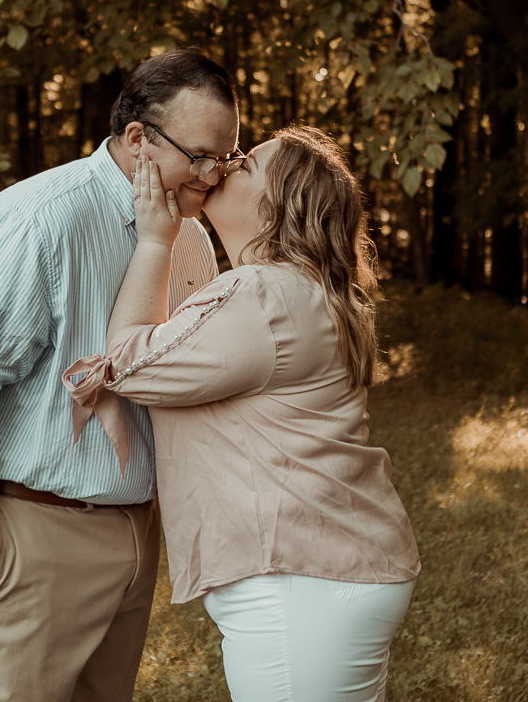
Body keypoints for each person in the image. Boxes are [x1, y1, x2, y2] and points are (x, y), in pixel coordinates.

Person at [0, 49, 246, 702]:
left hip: (134, 536)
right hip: (32, 535)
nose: (212, 177)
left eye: (225, 158)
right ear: (138, 138)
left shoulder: (191, 241)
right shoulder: (40, 219)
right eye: (199, 156)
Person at [64, 126, 420, 702]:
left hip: (300, 581)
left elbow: (129, 365)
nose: (225, 167)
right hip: (335, 566)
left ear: (280, 207)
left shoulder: (261, 295)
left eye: (246, 164)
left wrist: (156, 240)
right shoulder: (304, 291)